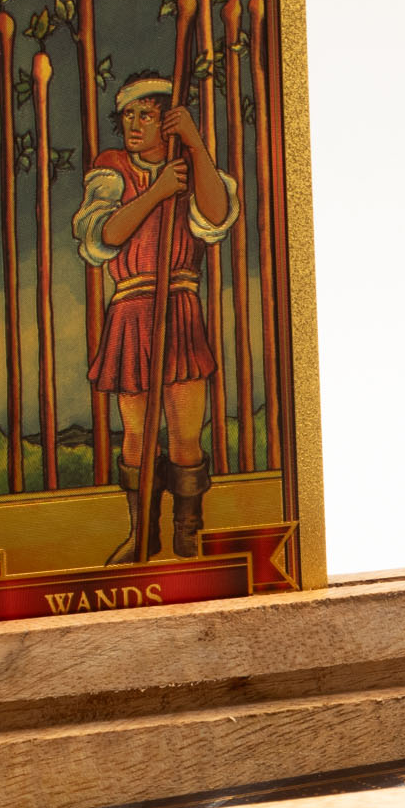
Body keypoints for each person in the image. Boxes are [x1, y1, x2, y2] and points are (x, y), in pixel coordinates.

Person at [73, 72, 239, 558]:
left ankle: (189, 534)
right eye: (128, 114)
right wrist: (158, 191)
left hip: (180, 308)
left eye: (146, 114)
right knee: (138, 435)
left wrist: (194, 145)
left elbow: (216, 216)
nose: (134, 124)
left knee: (186, 434)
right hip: (133, 311)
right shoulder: (112, 171)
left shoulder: (191, 168)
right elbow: (106, 235)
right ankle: (142, 533)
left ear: (168, 121)